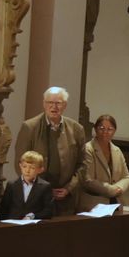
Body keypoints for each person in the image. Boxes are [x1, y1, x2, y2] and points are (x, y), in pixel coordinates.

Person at [14, 87, 89, 216]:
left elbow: (83, 164)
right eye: (50, 103)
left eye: (58, 103)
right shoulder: (29, 127)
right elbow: (20, 163)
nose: (54, 107)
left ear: (64, 105)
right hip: (37, 197)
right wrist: (42, 188)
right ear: (44, 104)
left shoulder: (76, 129)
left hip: (66, 198)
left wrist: (68, 188)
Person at [81, 114, 129, 205]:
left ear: (114, 131)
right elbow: (88, 180)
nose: (105, 132)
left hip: (116, 202)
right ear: (95, 129)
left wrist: (119, 188)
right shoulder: (88, 149)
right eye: (102, 128)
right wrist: (111, 190)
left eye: (110, 129)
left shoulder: (117, 150)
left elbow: (127, 177)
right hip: (94, 203)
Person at [0, 149, 55, 221]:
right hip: (13, 225)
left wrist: (32, 216)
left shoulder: (45, 186)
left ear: (40, 170)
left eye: (32, 168)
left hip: (34, 226)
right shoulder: (12, 185)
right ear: (20, 166)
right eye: (24, 166)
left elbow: (49, 211)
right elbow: (4, 208)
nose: (27, 171)